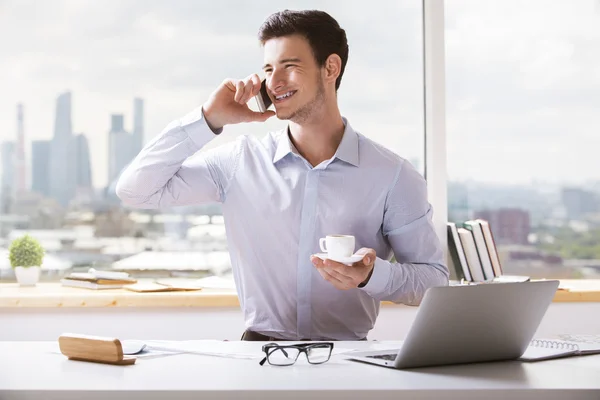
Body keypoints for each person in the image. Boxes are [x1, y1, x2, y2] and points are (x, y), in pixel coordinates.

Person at [116, 9, 449, 341]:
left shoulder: (393, 175)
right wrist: (209, 118)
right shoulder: (240, 162)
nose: (274, 83)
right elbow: (135, 190)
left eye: (289, 67)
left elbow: (432, 281)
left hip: (349, 361)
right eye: (268, 69)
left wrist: (371, 276)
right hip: (260, 358)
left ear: (330, 68)